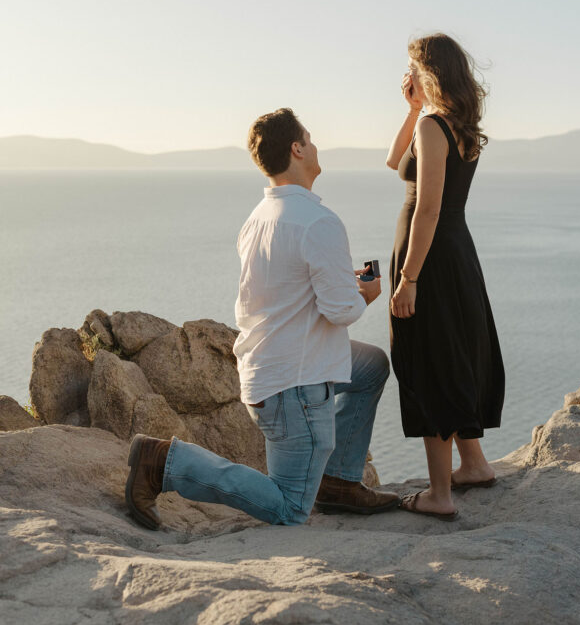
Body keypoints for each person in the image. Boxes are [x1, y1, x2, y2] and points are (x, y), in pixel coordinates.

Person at [125, 107, 399, 530]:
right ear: (297, 148)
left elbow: (289, 286)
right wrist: (366, 293)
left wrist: (342, 279)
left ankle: (340, 482)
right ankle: (162, 462)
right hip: (296, 388)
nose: (315, 144)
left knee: (372, 366)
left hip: (267, 366)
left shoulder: (258, 218)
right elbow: (341, 310)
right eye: (310, 137)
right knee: (290, 508)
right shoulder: (319, 221)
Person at [386, 34, 505, 519]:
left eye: (412, 68)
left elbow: (428, 209)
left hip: (430, 257)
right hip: (456, 253)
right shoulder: (453, 123)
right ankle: (473, 463)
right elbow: (396, 164)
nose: (406, 75)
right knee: (455, 351)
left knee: (430, 361)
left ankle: (439, 494)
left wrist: (409, 277)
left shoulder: (436, 127)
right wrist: (413, 108)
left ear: (427, 70)